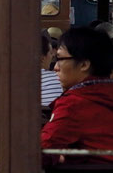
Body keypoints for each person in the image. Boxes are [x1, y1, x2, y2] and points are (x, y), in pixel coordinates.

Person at [41, 27, 113, 165]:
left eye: (60, 59)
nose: (55, 67)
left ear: (84, 64)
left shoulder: (74, 103)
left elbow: (41, 150)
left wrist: (58, 157)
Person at [41, 34, 63, 107]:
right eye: (50, 53)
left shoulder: (11, 81)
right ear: (42, 58)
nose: (53, 56)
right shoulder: (58, 78)